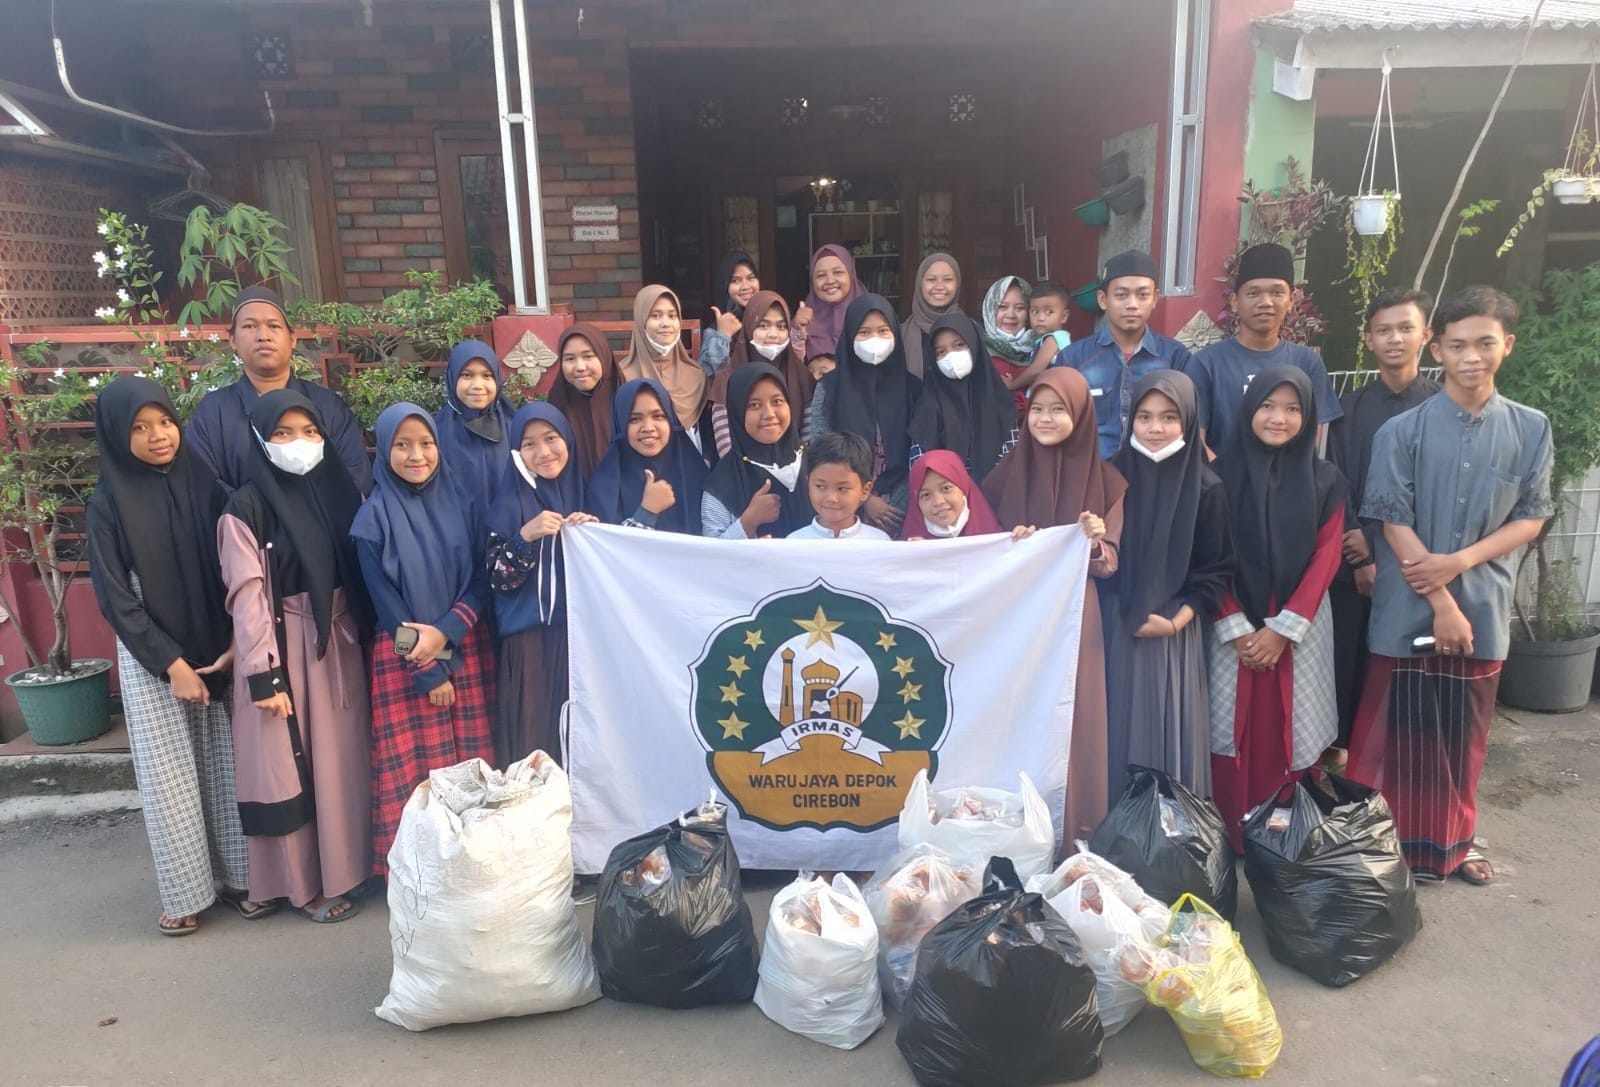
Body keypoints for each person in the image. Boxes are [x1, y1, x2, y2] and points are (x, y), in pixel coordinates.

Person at [1348, 286, 1553, 886]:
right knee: (1387, 737)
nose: (1471, 356)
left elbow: (1532, 517)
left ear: (1507, 346)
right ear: (1437, 347)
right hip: (1405, 609)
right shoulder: (1402, 432)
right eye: (1457, 344)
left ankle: (1451, 847)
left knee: (1461, 741)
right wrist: (1439, 599)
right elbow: (1391, 517)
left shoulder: (1530, 429)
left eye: (1485, 343)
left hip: (1483, 607)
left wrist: (1458, 563)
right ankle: (1371, 850)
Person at [86, 376, 266, 936]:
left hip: (217, 643)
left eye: (164, 421)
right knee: (170, 778)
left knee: (225, 766)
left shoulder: (205, 483)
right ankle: (184, 891)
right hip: (153, 654)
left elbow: (235, 566)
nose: (158, 436)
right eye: (139, 428)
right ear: (118, 437)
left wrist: (239, 636)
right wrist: (170, 663)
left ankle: (239, 877)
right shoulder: (108, 501)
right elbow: (115, 597)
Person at [216, 390, 373, 923]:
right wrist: (264, 674)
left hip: (339, 644)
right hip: (282, 649)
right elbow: (247, 595)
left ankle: (344, 873)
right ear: (260, 439)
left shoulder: (338, 494)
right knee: (288, 768)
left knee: (339, 767)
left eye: (309, 432)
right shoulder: (246, 507)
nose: (299, 444)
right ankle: (300, 887)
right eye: (282, 434)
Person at [1206, 366, 1347, 852]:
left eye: (1292, 409)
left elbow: (1327, 557)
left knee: (1292, 729)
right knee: (1230, 730)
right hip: (1233, 626)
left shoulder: (1325, 479)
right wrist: (1237, 628)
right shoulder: (1217, 477)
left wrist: (1283, 631)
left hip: (1297, 629)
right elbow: (1207, 557)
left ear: (1308, 417)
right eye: (1267, 405)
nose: (1278, 418)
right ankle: (1231, 836)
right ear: (1248, 411)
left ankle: (1286, 835)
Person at [351, 404, 495, 875]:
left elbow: (481, 578)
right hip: (406, 659)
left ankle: (474, 867)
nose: (417, 455)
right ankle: (419, 872)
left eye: (426, 443)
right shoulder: (371, 520)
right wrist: (429, 668)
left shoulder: (463, 502)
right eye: (402, 445)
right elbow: (385, 606)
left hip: (465, 647)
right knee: (417, 772)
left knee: (469, 765)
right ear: (384, 450)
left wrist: (448, 633)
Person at [982, 367, 1126, 841]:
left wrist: (1095, 541)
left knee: (1073, 719)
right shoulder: (1004, 476)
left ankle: (1075, 831)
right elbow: (982, 548)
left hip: (1075, 620)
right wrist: (1015, 544)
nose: (1044, 419)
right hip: (1017, 620)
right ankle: (1015, 833)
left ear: (1081, 414)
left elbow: (1108, 565)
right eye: (1037, 409)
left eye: (1058, 409)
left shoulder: (1108, 484)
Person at [1104, 371, 1232, 798]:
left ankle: (1172, 843)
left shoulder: (1207, 488)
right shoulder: (1110, 479)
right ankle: (1113, 835)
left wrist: (1176, 623)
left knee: (1165, 734)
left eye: (1169, 417)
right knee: (1114, 728)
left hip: (1173, 633)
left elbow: (1214, 570)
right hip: (1113, 628)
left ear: (1190, 422)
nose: (1155, 429)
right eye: (1144, 417)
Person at [1326, 289, 1439, 757]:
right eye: (1384, 330)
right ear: (1369, 339)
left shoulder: (1441, 409)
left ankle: (1399, 760)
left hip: (1419, 563)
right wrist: (1361, 547)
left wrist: (1387, 550)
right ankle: (1340, 758)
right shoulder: (1347, 409)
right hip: (1354, 561)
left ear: (1426, 336)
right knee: (1346, 661)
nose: (1395, 339)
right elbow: (1335, 476)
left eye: (1405, 328)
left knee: (1407, 665)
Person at [487, 402, 598, 767]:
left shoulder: (587, 496)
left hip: (579, 643)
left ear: (567, 439)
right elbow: (496, 580)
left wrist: (594, 536)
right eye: (530, 444)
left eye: (551, 439)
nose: (544, 452)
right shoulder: (507, 504)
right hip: (529, 645)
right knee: (533, 747)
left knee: (580, 740)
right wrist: (524, 537)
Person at [188, 286, 372, 493]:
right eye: (249, 326)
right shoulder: (213, 412)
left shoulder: (327, 406)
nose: (263, 336)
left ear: (292, 338)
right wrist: (249, 515)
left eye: (274, 326)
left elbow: (356, 476)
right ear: (232, 340)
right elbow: (203, 482)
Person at [1189, 243, 1341, 456]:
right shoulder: (1206, 364)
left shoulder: (1307, 363)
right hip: (1222, 485)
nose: (1266, 302)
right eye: (1253, 293)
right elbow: (1196, 441)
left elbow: (1312, 440)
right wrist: (1224, 485)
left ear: (1291, 300)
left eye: (1277, 292)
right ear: (1235, 301)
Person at [1053, 250, 1192, 459]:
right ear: (1103, 299)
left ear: (1154, 299)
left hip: (1155, 476)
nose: (1132, 304)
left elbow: (1187, 426)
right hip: (1093, 478)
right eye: (1121, 295)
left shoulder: (1175, 358)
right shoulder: (1073, 359)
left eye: (1143, 295)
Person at [806, 293, 920, 536]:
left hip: (900, 511)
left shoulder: (913, 389)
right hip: (842, 508)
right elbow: (819, 446)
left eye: (882, 331)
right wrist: (863, 499)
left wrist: (894, 506)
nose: (874, 339)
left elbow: (918, 451)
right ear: (849, 336)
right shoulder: (829, 387)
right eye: (864, 332)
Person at [701, 362, 813, 539]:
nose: (768, 414)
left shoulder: (816, 465)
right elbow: (713, 555)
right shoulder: (723, 483)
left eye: (777, 401)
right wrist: (748, 522)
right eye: (753, 405)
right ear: (737, 413)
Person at [588, 378, 709, 534]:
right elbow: (603, 548)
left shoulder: (696, 473)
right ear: (621, 425)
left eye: (658, 416)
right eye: (634, 419)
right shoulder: (604, 485)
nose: (648, 428)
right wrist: (646, 513)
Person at [908, 313, 1019, 481]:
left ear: (975, 345)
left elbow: (1011, 459)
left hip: (995, 496)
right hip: (944, 499)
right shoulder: (929, 403)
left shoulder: (997, 398)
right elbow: (919, 465)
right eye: (941, 351)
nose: (951, 356)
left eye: (959, 345)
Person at [709, 291, 816, 454]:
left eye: (781, 327)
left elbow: (807, 440)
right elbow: (725, 447)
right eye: (763, 325)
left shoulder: (801, 376)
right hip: (742, 471)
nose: (773, 334)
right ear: (749, 327)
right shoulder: (727, 379)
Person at [618, 285, 716, 461]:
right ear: (641, 322)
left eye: (672, 316)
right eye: (655, 316)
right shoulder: (621, 376)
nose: (666, 323)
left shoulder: (696, 375)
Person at [434, 339, 516, 510]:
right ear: (452, 378)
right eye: (466, 375)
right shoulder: (435, 432)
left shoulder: (516, 428)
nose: (477, 386)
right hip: (456, 531)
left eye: (487, 375)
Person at [547, 322, 624, 478]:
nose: (580, 367)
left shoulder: (626, 403)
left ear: (604, 356)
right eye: (570, 359)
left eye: (588, 356)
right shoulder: (555, 407)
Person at [787, 431, 891, 540]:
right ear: (808, 485)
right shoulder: (794, 542)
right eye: (820, 486)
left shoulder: (879, 541)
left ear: (865, 491)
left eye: (842, 489)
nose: (831, 498)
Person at [900, 449, 1014, 540]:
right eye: (926, 495)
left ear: (964, 488)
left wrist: (1022, 542)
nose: (938, 502)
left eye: (946, 488)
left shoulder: (995, 539)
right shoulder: (909, 549)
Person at [799, 244, 867, 367]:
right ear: (812, 282)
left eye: (838, 272)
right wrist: (797, 330)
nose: (830, 281)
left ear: (851, 275)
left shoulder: (871, 316)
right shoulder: (801, 322)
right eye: (820, 275)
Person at [901, 252, 966, 379]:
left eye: (947, 280)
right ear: (919, 283)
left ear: (958, 284)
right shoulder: (901, 335)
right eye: (931, 280)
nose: (939, 286)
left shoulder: (970, 331)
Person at [698, 250, 763, 374]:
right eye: (736, 281)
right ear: (724, 286)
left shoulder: (769, 318)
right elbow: (706, 374)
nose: (745, 286)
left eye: (751, 278)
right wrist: (723, 336)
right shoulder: (714, 331)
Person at [980, 275, 1036, 415]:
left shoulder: (1041, 347)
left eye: (1019, 308)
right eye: (1002, 307)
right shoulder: (978, 351)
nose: (1011, 314)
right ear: (990, 309)